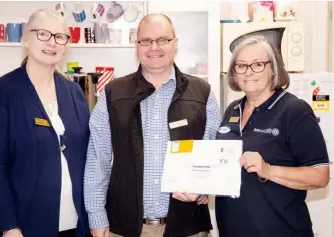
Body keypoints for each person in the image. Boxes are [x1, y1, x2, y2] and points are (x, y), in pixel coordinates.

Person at [84, 13, 221, 237]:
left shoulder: (202, 93)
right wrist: (96, 216)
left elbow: (214, 153)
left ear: (175, 44)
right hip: (125, 228)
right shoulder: (112, 94)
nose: (154, 47)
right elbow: (97, 161)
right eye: (145, 41)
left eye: (163, 40)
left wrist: (204, 187)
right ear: (136, 45)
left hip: (188, 226)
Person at [0, 9, 90, 237]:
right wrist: (9, 227)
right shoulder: (4, 92)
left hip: (75, 223)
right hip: (25, 226)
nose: (52, 42)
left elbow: (87, 156)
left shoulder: (74, 92)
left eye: (60, 37)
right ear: (25, 39)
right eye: (42, 34)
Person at [215, 35, 329, 237]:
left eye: (258, 64)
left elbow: (320, 176)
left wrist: (267, 169)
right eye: (241, 66)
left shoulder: (294, 111)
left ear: (273, 69)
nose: (248, 72)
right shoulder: (233, 110)